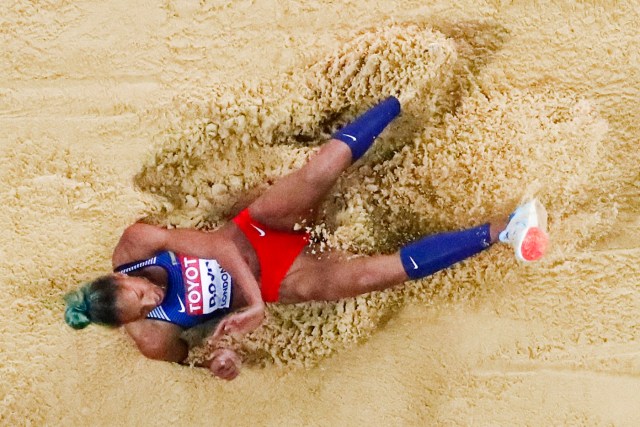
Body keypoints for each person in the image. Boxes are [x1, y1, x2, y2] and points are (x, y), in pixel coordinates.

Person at [64, 96, 549, 380]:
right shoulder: (152, 338)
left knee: (320, 170)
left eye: (142, 290)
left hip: (253, 231)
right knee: (368, 276)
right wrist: (225, 359)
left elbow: (217, 245)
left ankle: (404, 96)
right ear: (137, 320)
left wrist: (250, 306)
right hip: (282, 278)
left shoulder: (135, 244)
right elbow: (195, 356)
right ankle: (506, 229)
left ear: (119, 276)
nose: (153, 296)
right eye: (146, 305)